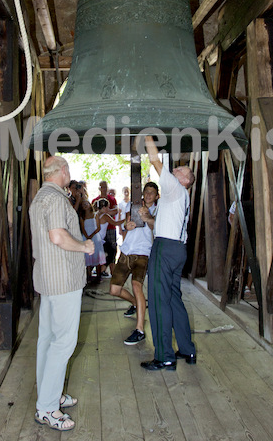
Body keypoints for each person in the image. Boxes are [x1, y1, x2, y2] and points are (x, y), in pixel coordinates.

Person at [29, 156, 95, 431]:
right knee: (64, 343)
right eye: (67, 168)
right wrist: (84, 247)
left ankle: (49, 395)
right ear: (62, 171)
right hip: (64, 281)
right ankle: (46, 408)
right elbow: (57, 236)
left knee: (47, 339)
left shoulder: (40, 197)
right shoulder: (56, 199)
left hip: (48, 278)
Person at [139, 135, 197, 371]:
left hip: (164, 249)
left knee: (158, 301)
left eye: (179, 168)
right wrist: (148, 219)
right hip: (177, 248)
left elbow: (154, 159)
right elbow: (162, 225)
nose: (174, 169)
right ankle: (186, 349)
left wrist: (147, 135)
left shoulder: (174, 187)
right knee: (173, 299)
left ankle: (164, 356)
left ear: (184, 179)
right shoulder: (178, 197)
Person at [109, 182, 159, 345]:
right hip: (126, 251)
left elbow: (156, 227)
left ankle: (140, 330)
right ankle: (137, 304)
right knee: (114, 290)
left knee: (137, 286)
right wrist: (126, 226)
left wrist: (148, 217)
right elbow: (126, 223)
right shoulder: (134, 206)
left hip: (143, 253)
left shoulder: (159, 210)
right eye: (146, 192)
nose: (149, 195)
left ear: (157, 196)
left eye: (152, 192)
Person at [92, 181, 119, 276]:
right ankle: (99, 270)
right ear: (99, 188)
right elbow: (93, 214)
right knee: (100, 250)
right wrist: (107, 213)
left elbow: (116, 211)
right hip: (100, 231)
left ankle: (112, 271)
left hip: (110, 228)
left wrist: (104, 213)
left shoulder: (112, 199)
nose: (104, 188)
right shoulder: (95, 200)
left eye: (105, 187)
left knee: (112, 248)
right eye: (102, 187)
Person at [79, 197, 106, 284]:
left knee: (97, 256)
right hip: (86, 237)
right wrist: (87, 236)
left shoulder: (95, 214)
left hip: (95, 237)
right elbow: (83, 228)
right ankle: (88, 276)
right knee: (87, 257)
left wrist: (92, 235)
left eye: (86, 203)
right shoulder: (82, 217)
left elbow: (98, 228)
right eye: (83, 205)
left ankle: (98, 276)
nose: (85, 206)